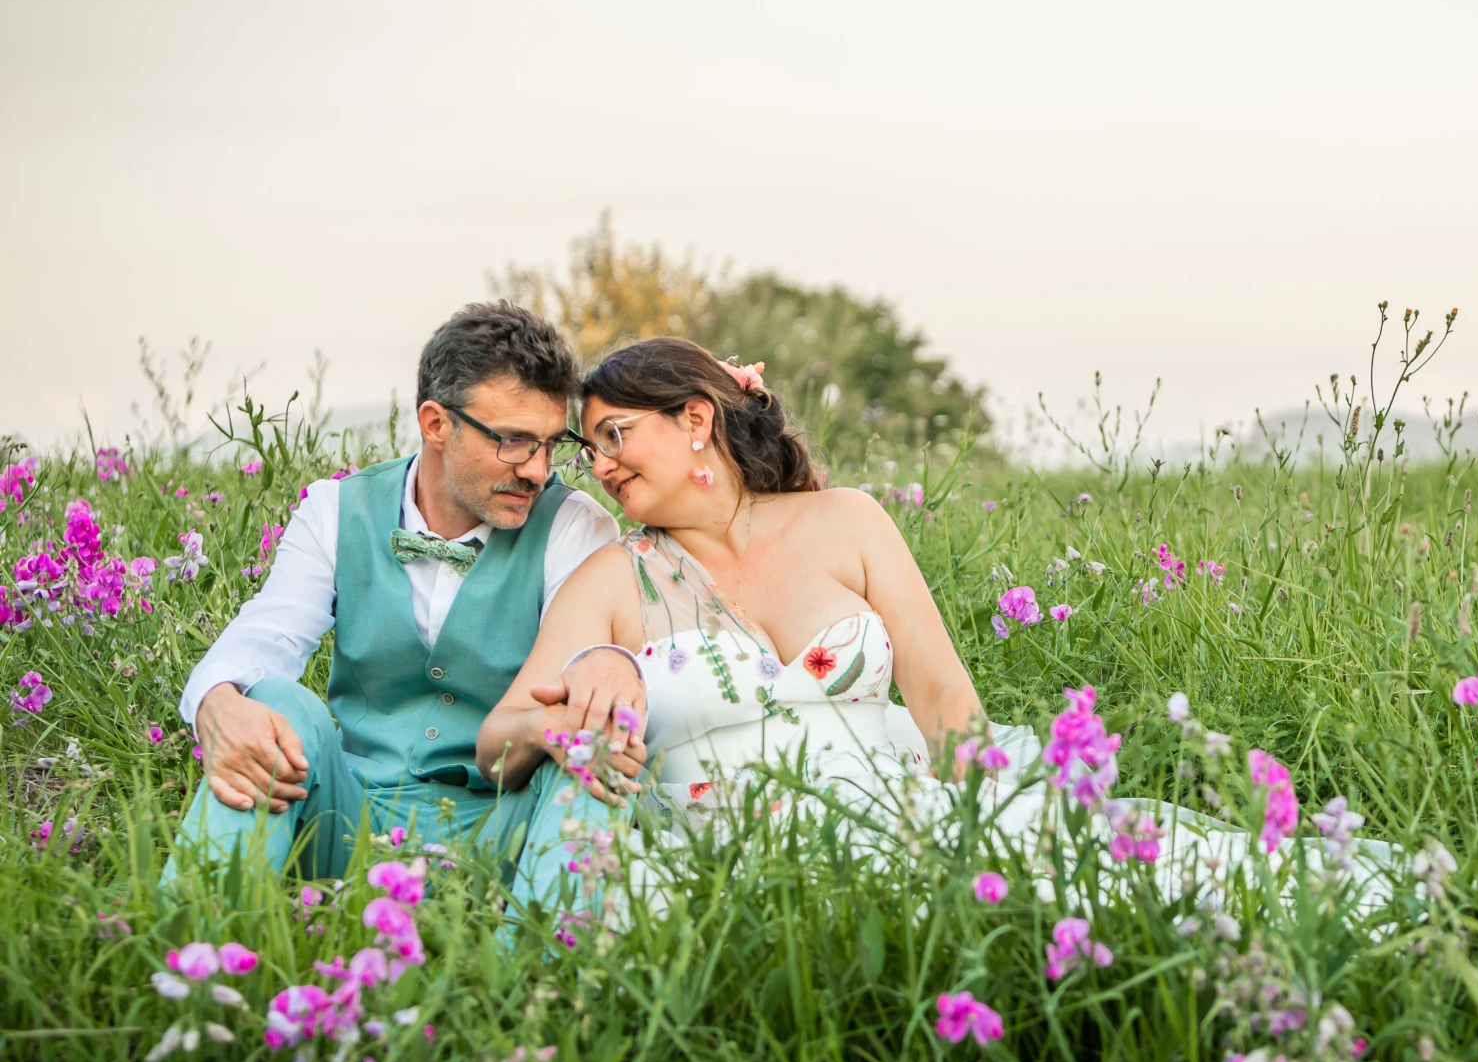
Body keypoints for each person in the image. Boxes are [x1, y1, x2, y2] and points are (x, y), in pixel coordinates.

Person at [479, 337, 1394, 913]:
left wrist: (973, 836)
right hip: (740, 868)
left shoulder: (848, 522)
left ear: (695, 421)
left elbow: (949, 711)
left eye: (613, 435)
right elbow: (497, 742)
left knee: (1159, 892)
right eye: (587, 446)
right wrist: (571, 720)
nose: (597, 466)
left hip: (911, 814)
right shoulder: (614, 578)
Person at [172, 302, 634, 903]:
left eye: (551, 444)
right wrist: (215, 700)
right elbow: (270, 634)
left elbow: (575, 694)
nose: (539, 472)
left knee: (595, 753)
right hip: (348, 824)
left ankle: (541, 979)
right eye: (515, 442)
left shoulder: (576, 528)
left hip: (505, 836)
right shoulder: (335, 510)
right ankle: (191, 955)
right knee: (271, 699)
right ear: (436, 423)